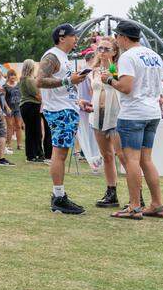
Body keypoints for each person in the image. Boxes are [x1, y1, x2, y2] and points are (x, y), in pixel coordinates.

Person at [102, 20, 163, 219]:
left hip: (133, 113)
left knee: (131, 160)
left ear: (123, 37)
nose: (116, 40)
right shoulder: (155, 56)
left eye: (117, 37)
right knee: (146, 160)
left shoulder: (128, 57)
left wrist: (109, 80)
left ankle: (135, 206)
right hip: (152, 111)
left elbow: (126, 87)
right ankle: (157, 204)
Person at [37, 23, 89, 214]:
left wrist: (78, 101)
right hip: (59, 111)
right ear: (62, 38)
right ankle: (58, 197)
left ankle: (58, 195)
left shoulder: (62, 57)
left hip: (66, 108)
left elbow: (63, 87)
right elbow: (39, 81)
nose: (76, 39)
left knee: (61, 153)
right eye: (73, 35)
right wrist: (69, 80)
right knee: (59, 154)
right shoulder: (52, 56)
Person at [88, 38, 123, 206]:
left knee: (122, 156)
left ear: (114, 52)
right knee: (107, 156)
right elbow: (93, 92)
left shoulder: (117, 69)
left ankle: (137, 195)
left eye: (106, 49)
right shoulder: (94, 70)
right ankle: (111, 192)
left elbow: (122, 87)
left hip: (115, 116)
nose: (102, 51)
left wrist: (111, 73)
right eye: (100, 48)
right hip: (97, 116)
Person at [18, 59, 46, 163]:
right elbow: (37, 95)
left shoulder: (22, 79)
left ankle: (32, 154)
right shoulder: (29, 80)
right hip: (32, 105)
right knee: (36, 131)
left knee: (30, 131)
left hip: (26, 106)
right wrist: (45, 101)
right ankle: (35, 154)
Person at [4, 68, 23, 153]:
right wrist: (7, 107)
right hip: (9, 108)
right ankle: (9, 145)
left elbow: (22, 95)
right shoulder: (5, 86)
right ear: (8, 77)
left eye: (14, 75)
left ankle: (19, 144)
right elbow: (3, 99)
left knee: (18, 126)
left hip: (18, 108)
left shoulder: (18, 85)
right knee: (10, 126)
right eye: (11, 75)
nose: (13, 77)